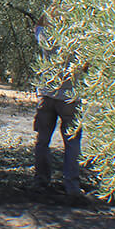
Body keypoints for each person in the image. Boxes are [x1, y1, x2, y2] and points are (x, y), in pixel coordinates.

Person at [33, 13, 87, 197]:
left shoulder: (45, 36)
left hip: (46, 97)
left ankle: (41, 181)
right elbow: (87, 66)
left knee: (42, 140)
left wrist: (47, 12)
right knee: (72, 143)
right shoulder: (79, 40)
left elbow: (37, 26)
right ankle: (71, 186)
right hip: (69, 98)